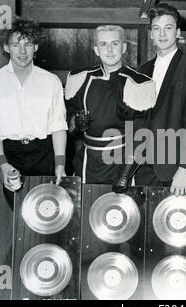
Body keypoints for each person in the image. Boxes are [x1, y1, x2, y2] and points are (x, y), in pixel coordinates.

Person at [0, 18, 68, 209]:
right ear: (6, 47)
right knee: (21, 215)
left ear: (36, 47)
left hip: (44, 154)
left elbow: (58, 125)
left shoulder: (51, 81)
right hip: (11, 155)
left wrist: (60, 164)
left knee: (48, 214)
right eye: (16, 44)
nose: (22, 51)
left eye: (28, 44)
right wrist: (2, 164)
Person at [64, 25, 155, 186]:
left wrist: (124, 175)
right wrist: (75, 122)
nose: (110, 50)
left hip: (121, 161)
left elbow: (141, 135)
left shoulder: (139, 83)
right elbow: (70, 112)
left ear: (124, 47)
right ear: (96, 49)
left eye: (115, 43)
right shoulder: (80, 78)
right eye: (103, 44)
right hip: (87, 161)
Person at [136, 2, 186, 196]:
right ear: (151, 33)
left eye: (168, 28)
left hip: (174, 169)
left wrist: (185, 168)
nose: (162, 34)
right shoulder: (142, 71)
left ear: (177, 32)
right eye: (156, 29)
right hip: (142, 167)